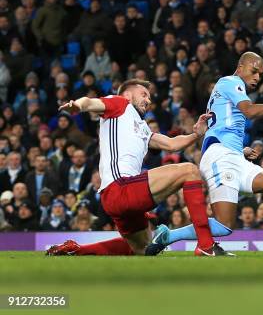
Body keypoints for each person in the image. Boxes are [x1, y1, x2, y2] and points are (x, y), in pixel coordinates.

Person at [145, 52, 263, 255]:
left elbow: (221, 123)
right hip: (220, 156)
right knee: (224, 224)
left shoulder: (229, 90)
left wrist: (240, 150)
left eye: (260, 75)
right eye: (254, 71)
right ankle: (169, 236)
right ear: (240, 67)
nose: (256, 77)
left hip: (232, 155)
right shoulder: (230, 81)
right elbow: (250, 111)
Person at [45, 79, 219, 256]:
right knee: (189, 171)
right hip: (121, 187)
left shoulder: (142, 127)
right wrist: (78, 106)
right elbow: (90, 102)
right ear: (128, 94)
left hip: (115, 197)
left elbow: (172, 144)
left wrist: (196, 134)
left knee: (143, 249)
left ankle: (76, 250)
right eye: (144, 94)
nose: (148, 100)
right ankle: (206, 245)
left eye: (149, 98)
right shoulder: (120, 104)